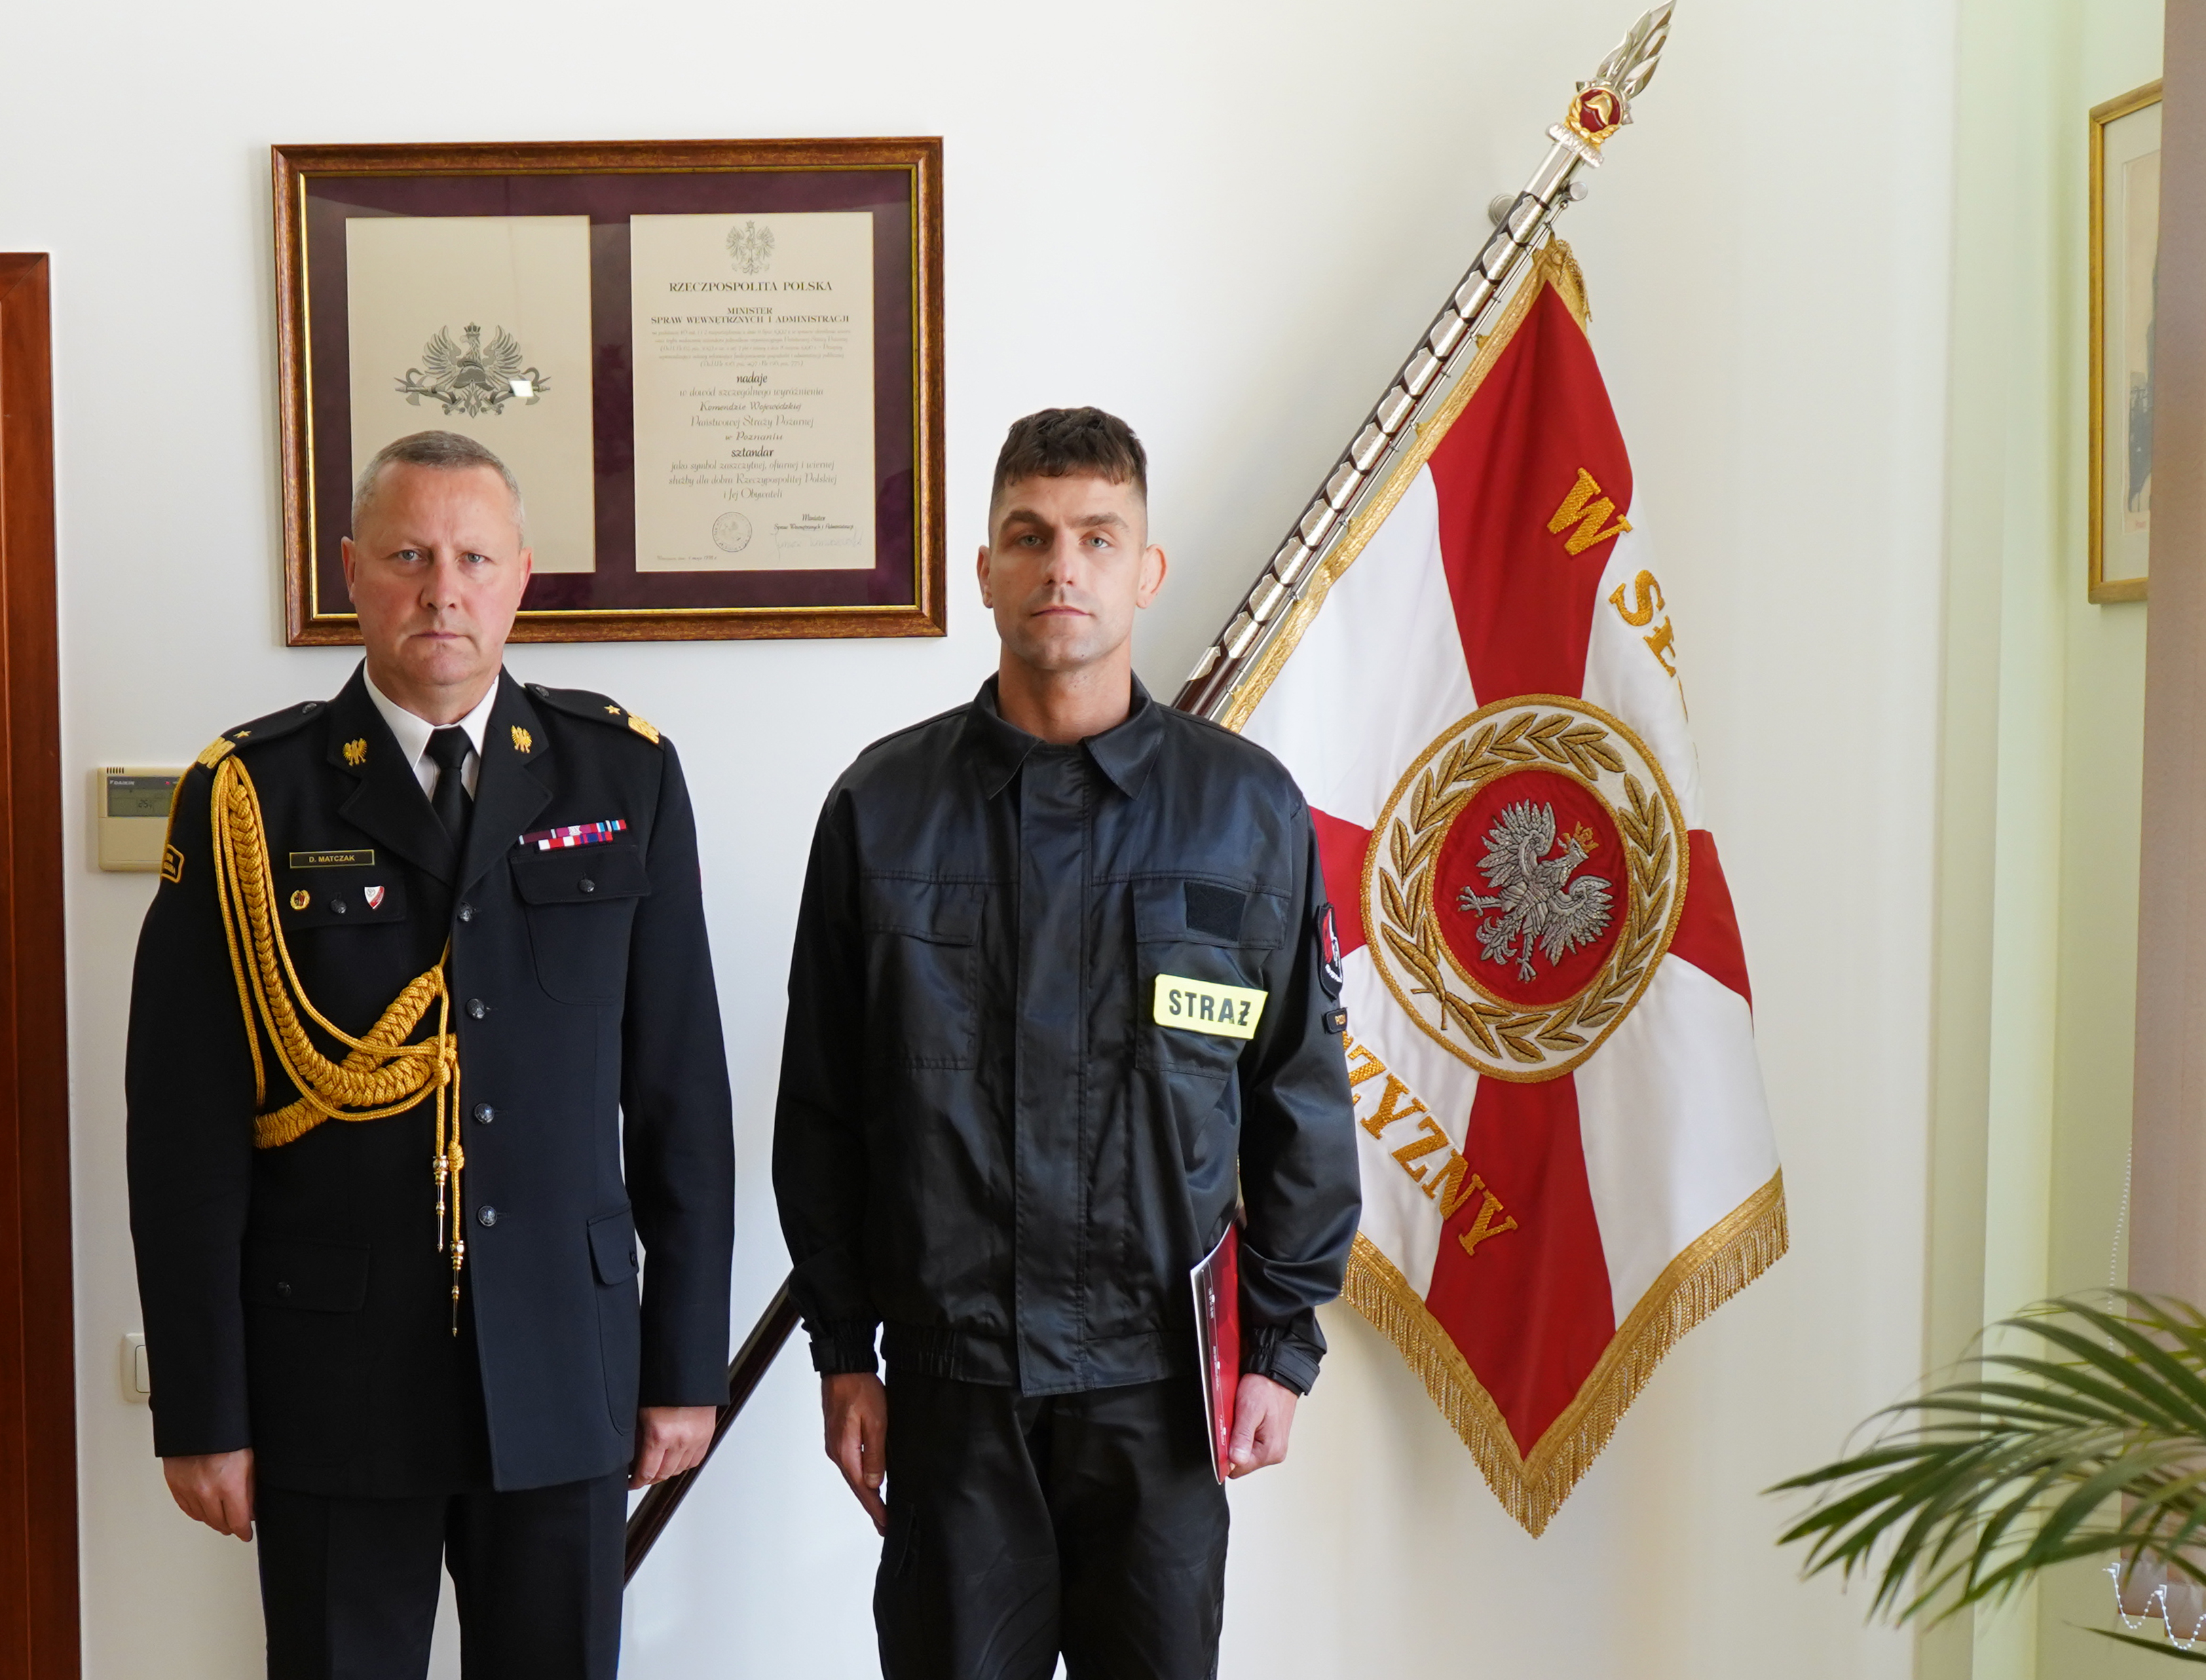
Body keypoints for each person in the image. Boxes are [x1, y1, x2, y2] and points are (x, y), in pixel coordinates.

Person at [126, 430, 734, 1680]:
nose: (442, 590)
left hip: (565, 1367)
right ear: (352, 571)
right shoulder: (251, 797)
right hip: (332, 1382)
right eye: (408, 557)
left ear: (522, 578)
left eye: (472, 559)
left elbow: (681, 1097)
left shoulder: (622, 775)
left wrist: (684, 1367)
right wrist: (202, 1409)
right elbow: (183, 1137)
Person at [772, 407, 1364, 1679]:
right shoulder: (882, 808)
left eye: (1098, 537)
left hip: (1161, 1396)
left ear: (1146, 571)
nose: (1062, 567)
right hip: (954, 1392)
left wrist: (1278, 1348)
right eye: (1030, 536)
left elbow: (1299, 1101)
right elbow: (820, 1109)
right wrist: (843, 1350)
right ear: (984, 569)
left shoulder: (1244, 813)